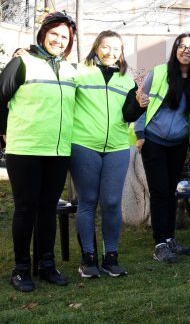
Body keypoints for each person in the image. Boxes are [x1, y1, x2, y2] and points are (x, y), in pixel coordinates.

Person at [0, 12, 78, 292]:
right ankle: (21, 269)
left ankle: (47, 266)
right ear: (43, 34)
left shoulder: (71, 70)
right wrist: (5, 134)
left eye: (65, 37)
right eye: (55, 34)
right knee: (26, 208)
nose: (59, 40)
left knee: (48, 209)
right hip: (25, 149)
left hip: (58, 150)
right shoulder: (22, 62)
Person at [70, 31, 146, 278]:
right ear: (96, 47)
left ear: (121, 52)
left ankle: (111, 258)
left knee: (112, 203)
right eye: (105, 47)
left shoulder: (126, 79)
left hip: (116, 147)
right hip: (83, 145)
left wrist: (138, 104)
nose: (110, 52)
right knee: (88, 201)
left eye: (116, 48)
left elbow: (129, 115)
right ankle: (88, 258)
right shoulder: (78, 72)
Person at [134, 33, 190, 264]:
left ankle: (170, 238)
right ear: (175, 49)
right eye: (182, 46)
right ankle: (160, 244)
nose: (186, 50)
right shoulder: (159, 73)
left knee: (172, 191)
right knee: (159, 191)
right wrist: (140, 133)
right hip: (153, 140)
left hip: (179, 143)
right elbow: (141, 102)